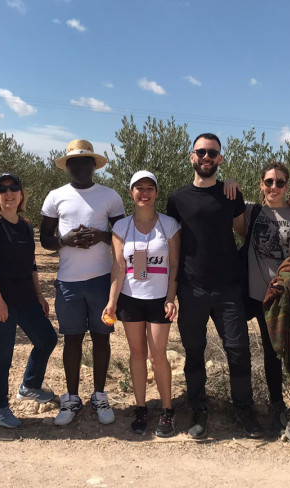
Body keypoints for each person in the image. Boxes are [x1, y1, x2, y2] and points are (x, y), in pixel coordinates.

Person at [166, 133, 264, 439]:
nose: (207, 157)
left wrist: (241, 191)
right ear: (192, 156)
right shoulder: (177, 199)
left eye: (213, 153)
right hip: (191, 289)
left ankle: (244, 410)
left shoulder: (230, 194)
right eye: (202, 152)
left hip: (227, 288)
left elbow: (242, 231)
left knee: (238, 351)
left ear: (220, 159)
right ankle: (199, 409)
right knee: (194, 352)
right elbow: (173, 243)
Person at [234, 161, 290, 446]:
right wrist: (230, 183)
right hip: (263, 297)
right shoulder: (251, 211)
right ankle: (276, 407)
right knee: (272, 352)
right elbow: (224, 205)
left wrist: (286, 277)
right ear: (261, 184)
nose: (274, 187)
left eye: (280, 182)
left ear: (287, 186)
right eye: (269, 182)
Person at [39, 140, 125, 426]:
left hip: (102, 280)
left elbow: (120, 235)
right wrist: (64, 241)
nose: (79, 167)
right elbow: (46, 240)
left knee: (102, 337)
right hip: (68, 282)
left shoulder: (110, 196)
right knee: (72, 339)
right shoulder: (55, 197)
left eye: (84, 161)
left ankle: (99, 395)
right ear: (68, 167)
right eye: (73, 162)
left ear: (93, 165)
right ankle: (72, 398)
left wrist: (101, 236)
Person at [0, 173, 58, 428]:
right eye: (3, 189)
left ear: (21, 194)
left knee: (46, 339)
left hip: (26, 299)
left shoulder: (24, 224)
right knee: (2, 354)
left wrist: (40, 295)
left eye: (14, 189)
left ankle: (29, 385)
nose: (9, 194)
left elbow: (31, 263)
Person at [103, 171, 181, 436]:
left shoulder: (169, 225)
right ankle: (140, 407)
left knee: (157, 355)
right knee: (137, 354)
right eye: (139, 188)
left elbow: (174, 265)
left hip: (159, 300)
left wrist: (171, 298)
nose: (144, 193)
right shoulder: (121, 227)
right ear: (131, 193)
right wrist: (112, 302)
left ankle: (168, 410)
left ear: (156, 192)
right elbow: (118, 267)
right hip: (131, 299)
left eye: (149, 188)